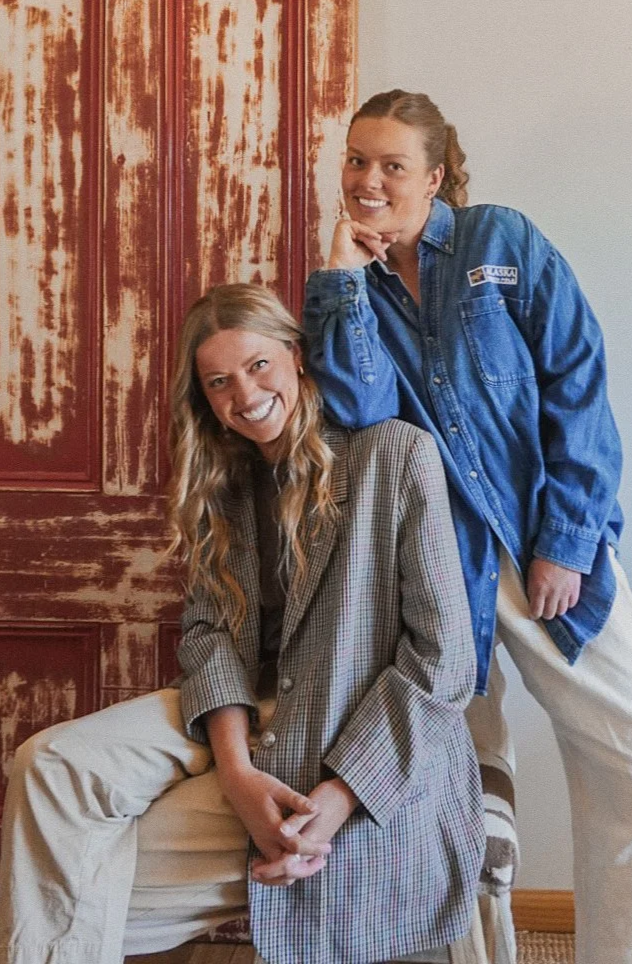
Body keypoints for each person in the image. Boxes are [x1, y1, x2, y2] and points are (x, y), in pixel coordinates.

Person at [302, 89, 632, 964]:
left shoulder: (500, 243)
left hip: (542, 546)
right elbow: (358, 411)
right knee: (465, 800)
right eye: (356, 160)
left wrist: (565, 541)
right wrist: (341, 275)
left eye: (392, 165)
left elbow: (577, 382)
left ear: (435, 176)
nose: (368, 180)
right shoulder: (348, 287)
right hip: (439, 570)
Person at [0, 282, 486, 964]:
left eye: (258, 365)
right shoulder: (221, 482)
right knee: (47, 763)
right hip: (240, 710)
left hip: (344, 712)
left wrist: (338, 798)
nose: (245, 394)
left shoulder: (393, 454)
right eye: (219, 381)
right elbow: (207, 635)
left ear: (296, 356)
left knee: (54, 893)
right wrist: (235, 769)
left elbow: (444, 659)